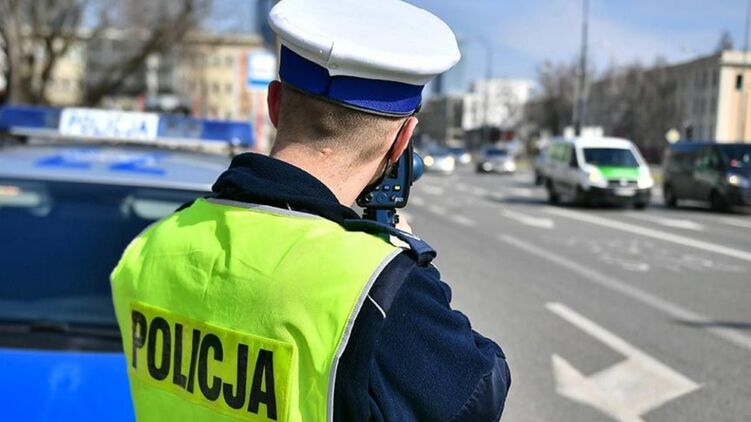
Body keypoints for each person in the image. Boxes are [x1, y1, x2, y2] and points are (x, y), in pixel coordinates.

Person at [111, 0, 511, 420]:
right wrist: (408, 261)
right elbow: (481, 394)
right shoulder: (380, 288)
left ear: (274, 103)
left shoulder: (151, 245)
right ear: (402, 139)